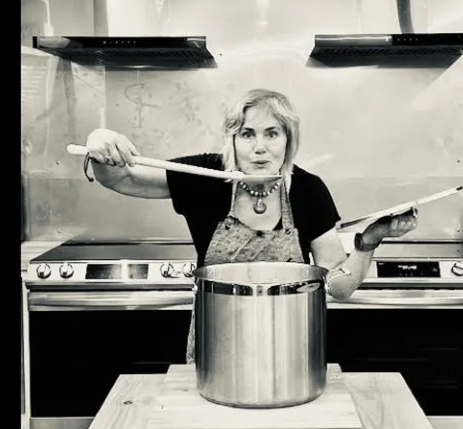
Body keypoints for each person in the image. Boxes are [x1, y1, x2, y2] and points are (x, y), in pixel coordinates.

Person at [82, 88, 418, 364]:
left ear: (289, 141)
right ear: (232, 140)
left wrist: (368, 242)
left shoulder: (307, 190)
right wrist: (100, 142)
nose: (259, 147)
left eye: (272, 133)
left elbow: (337, 287)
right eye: (247, 134)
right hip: (215, 350)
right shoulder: (206, 177)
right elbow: (122, 178)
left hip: (290, 354)